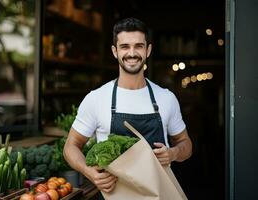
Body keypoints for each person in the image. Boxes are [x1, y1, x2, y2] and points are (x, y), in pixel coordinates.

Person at [64, 17, 192, 196]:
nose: (132, 53)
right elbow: (70, 146)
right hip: (114, 195)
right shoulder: (97, 98)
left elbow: (186, 144)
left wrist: (173, 153)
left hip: (159, 195)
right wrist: (89, 172)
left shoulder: (166, 98)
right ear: (115, 51)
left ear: (148, 50)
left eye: (139, 46)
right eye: (125, 47)